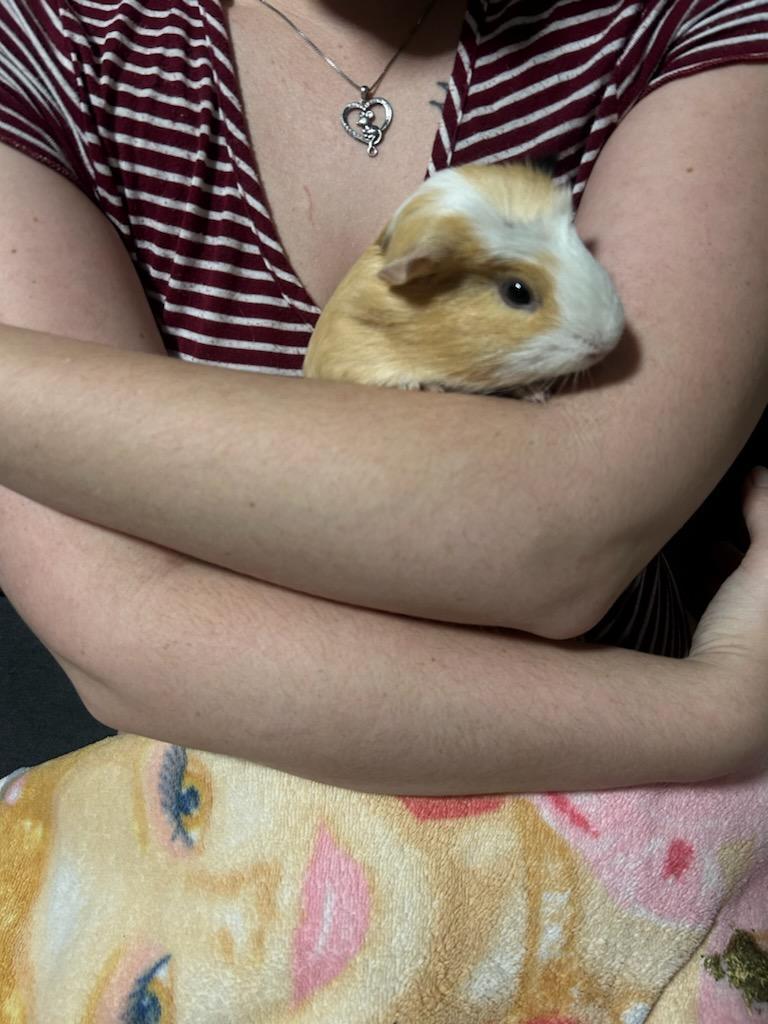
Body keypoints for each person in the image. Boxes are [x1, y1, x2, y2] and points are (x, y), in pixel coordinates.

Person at [0, 0, 766, 791]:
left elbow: (556, 536)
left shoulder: (692, 19)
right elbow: (126, 633)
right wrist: (702, 717)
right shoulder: (43, 42)